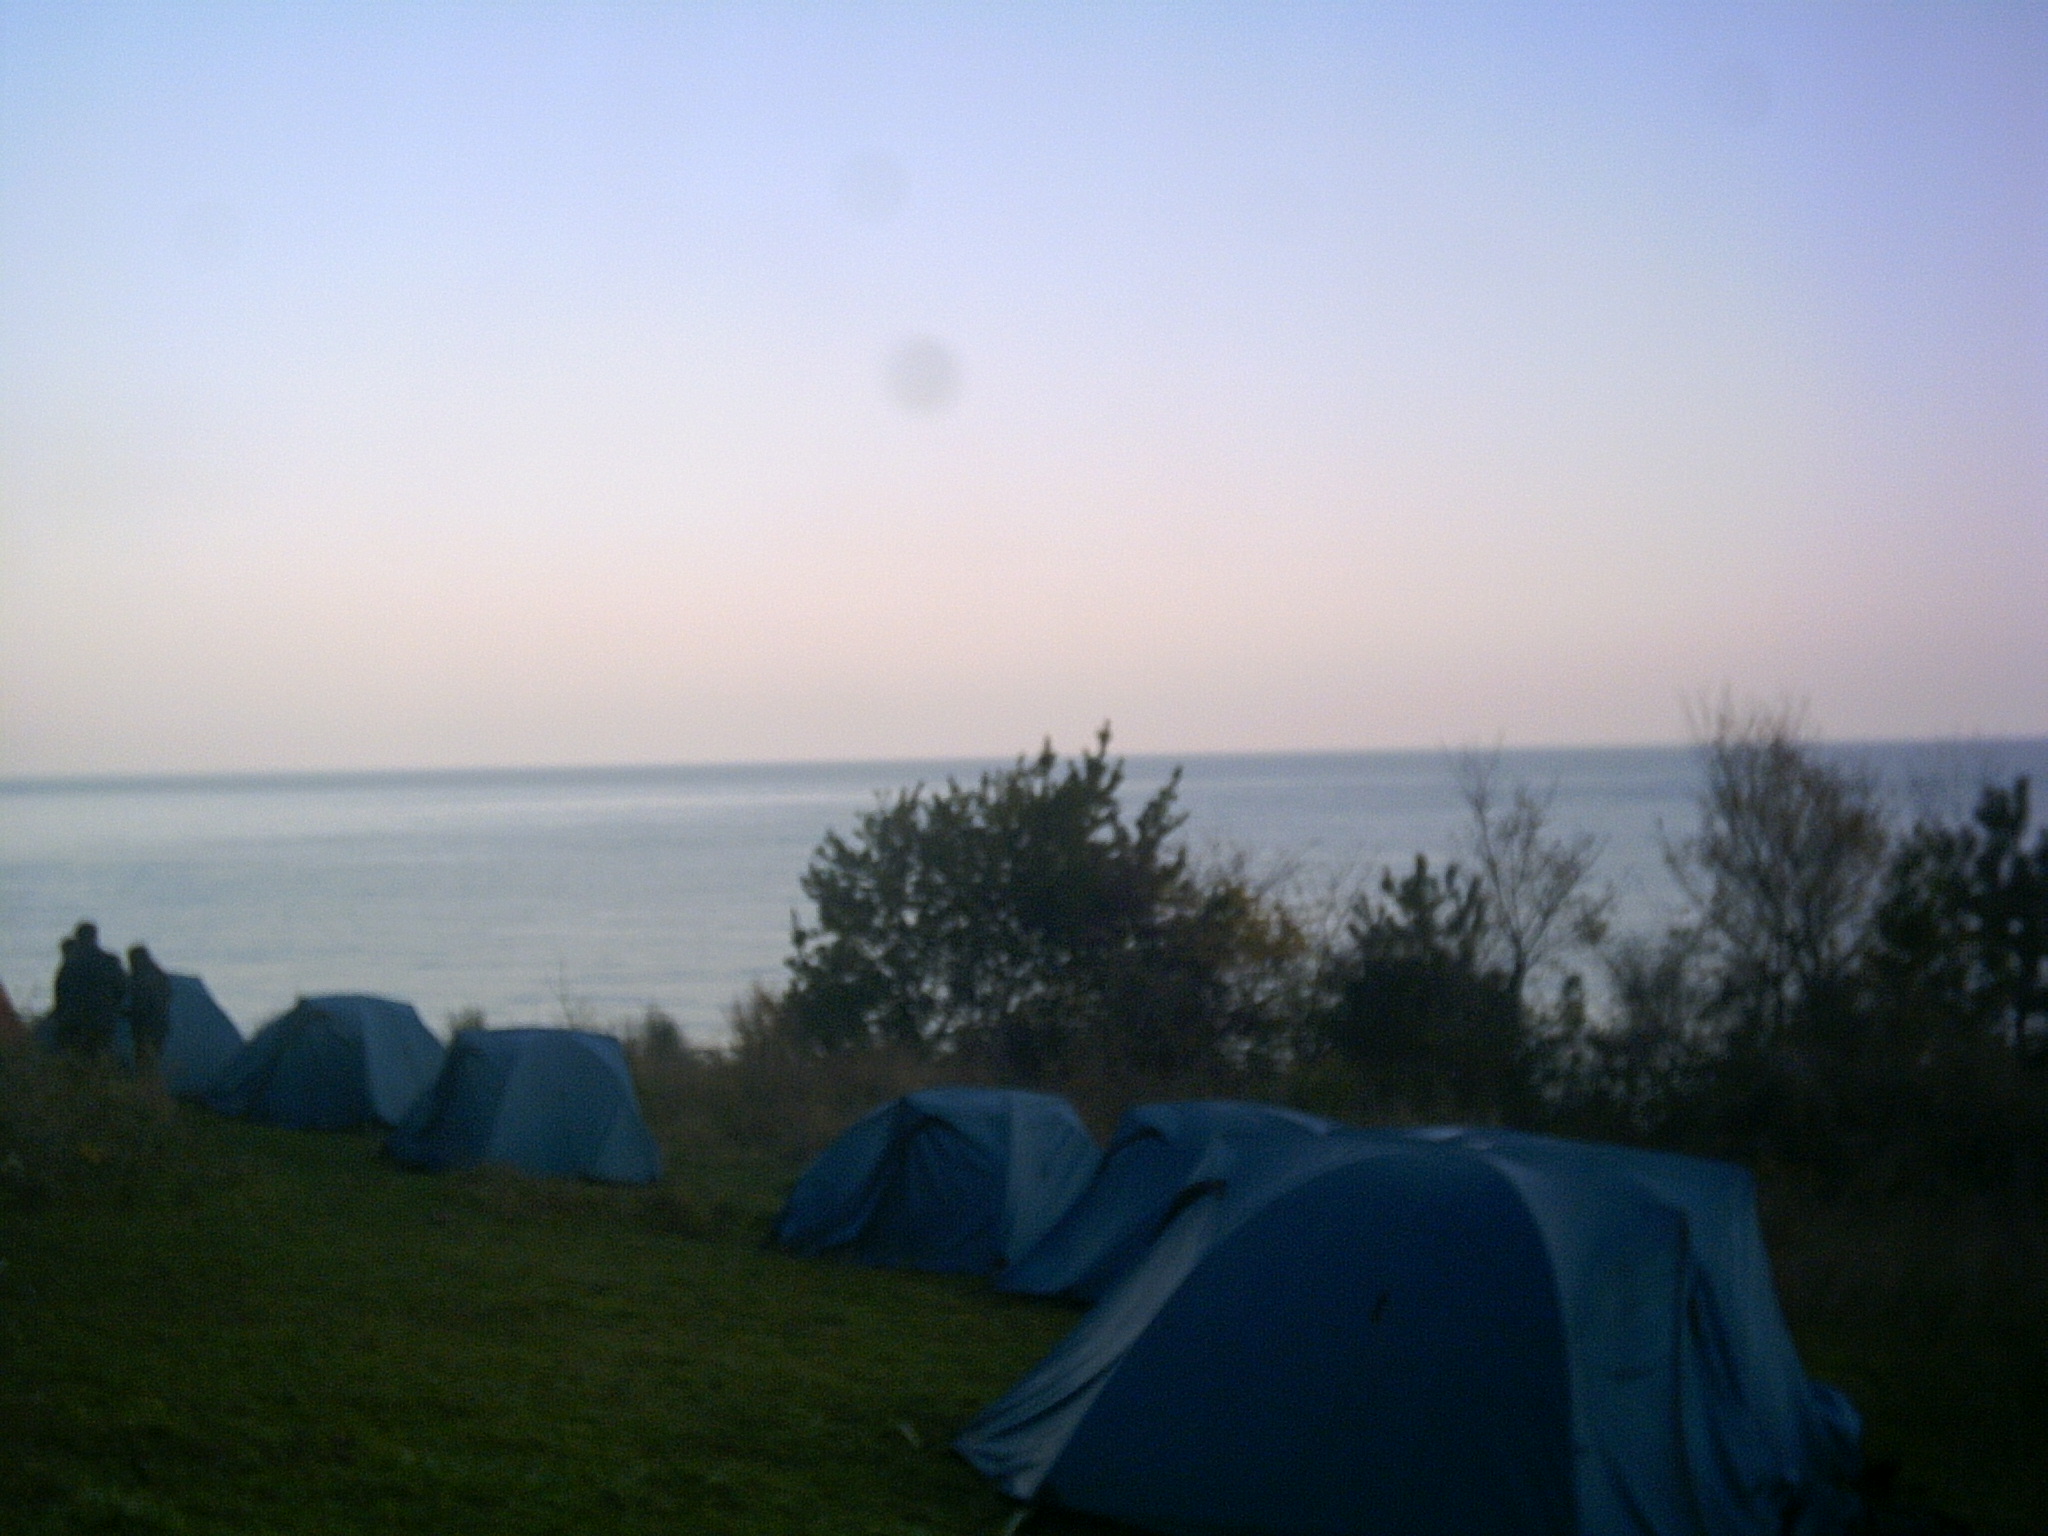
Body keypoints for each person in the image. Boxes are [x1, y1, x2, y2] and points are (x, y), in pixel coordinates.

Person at [48, 922, 126, 1059]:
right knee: (100, 1055)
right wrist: (112, 1006)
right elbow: (121, 988)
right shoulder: (110, 960)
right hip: (102, 1017)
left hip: (74, 1019)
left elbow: (60, 993)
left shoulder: (71, 963)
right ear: (95, 937)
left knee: (77, 1057)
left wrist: (60, 1016)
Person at [126, 945, 174, 1071]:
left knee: (143, 1059)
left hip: (144, 1025)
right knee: (154, 1058)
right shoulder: (160, 976)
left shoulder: (139, 979)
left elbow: (141, 1006)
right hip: (160, 1024)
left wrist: (128, 1013)